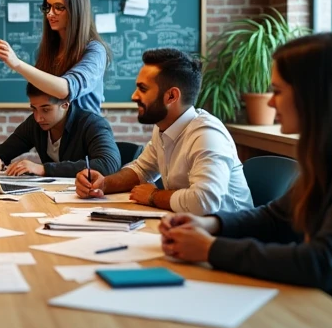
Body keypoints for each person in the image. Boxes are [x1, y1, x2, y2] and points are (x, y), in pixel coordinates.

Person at [160, 33, 332, 328]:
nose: (271, 101)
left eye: (278, 90)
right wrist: (210, 224)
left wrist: (211, 249)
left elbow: (323, 262)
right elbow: (277, 217)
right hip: (327, 313)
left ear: (313, 95)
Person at [75, 48, 253, 214]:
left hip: (229, 238)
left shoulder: (207, 135)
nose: (134, 96)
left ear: (171, 96)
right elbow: (141, 170)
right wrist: (104, 183)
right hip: (190, 229)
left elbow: (205, 201)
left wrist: (153, 196)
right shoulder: (164, 128)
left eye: (143, 89)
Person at [0, 0, 109, 114]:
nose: (50, 14)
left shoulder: (95, 51)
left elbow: (66, 90)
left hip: (84, 132)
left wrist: (17, 64)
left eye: (59, 7)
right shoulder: (48, 49)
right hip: (54, 131)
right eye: (48, 7)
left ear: (76, 10)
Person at [0, 83, 120, 177]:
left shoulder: (92, 124)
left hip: (87, 200)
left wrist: (44, 169)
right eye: (34, 108)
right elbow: (2, 153)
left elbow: (108, 165)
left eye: (46, 109)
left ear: (65, 105)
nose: (38, 118)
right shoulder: (33, 124)